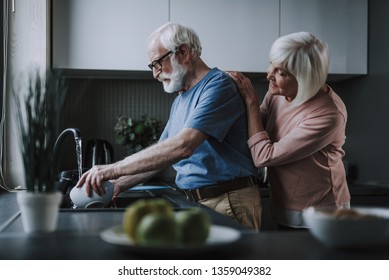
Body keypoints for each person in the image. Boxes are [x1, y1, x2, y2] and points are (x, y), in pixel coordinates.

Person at [76, 22, 262, 231]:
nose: (155, 73)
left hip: (227, 201)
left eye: (157, 63)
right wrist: (119, 184)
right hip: (198, 202)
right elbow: (161, 157)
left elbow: (184, 146)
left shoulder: (219, 86)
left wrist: (112, 169)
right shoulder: (180, 99)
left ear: (183, 52)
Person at [228, 31, 350, 230]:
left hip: (320, 213)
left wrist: (251, 100)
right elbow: (253, 125)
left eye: (281, 73)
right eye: (271, 64)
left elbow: (264, 156)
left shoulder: (328, 115)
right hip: (285, 204)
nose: (269, 75)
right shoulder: (278, 92)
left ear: (305, 77)